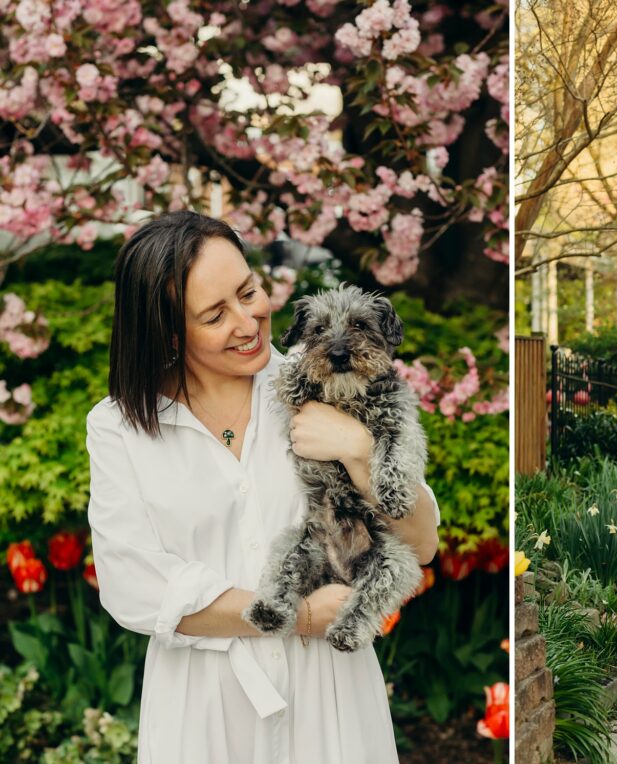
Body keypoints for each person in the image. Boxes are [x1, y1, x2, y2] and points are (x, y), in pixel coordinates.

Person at [86, 211, 440, 762]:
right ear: (169, 331)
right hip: (204, 705)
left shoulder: (331, 377)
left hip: (332, 696)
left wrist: (358, 449)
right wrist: (298, 616)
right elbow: (133, 585)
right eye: (215, 314)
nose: (248, 322)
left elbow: (421, 542)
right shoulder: (119, 428)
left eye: (248, 292)